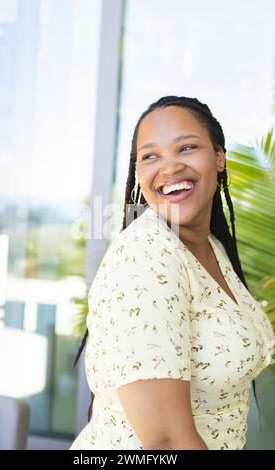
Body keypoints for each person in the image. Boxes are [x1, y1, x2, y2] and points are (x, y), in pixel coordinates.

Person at [70, 96, 274, 450]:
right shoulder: (147, 256)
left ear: (219, 157)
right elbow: (166, 442)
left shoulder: (213, 247)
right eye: (150, 156)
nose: (169, 168)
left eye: (187, 147)